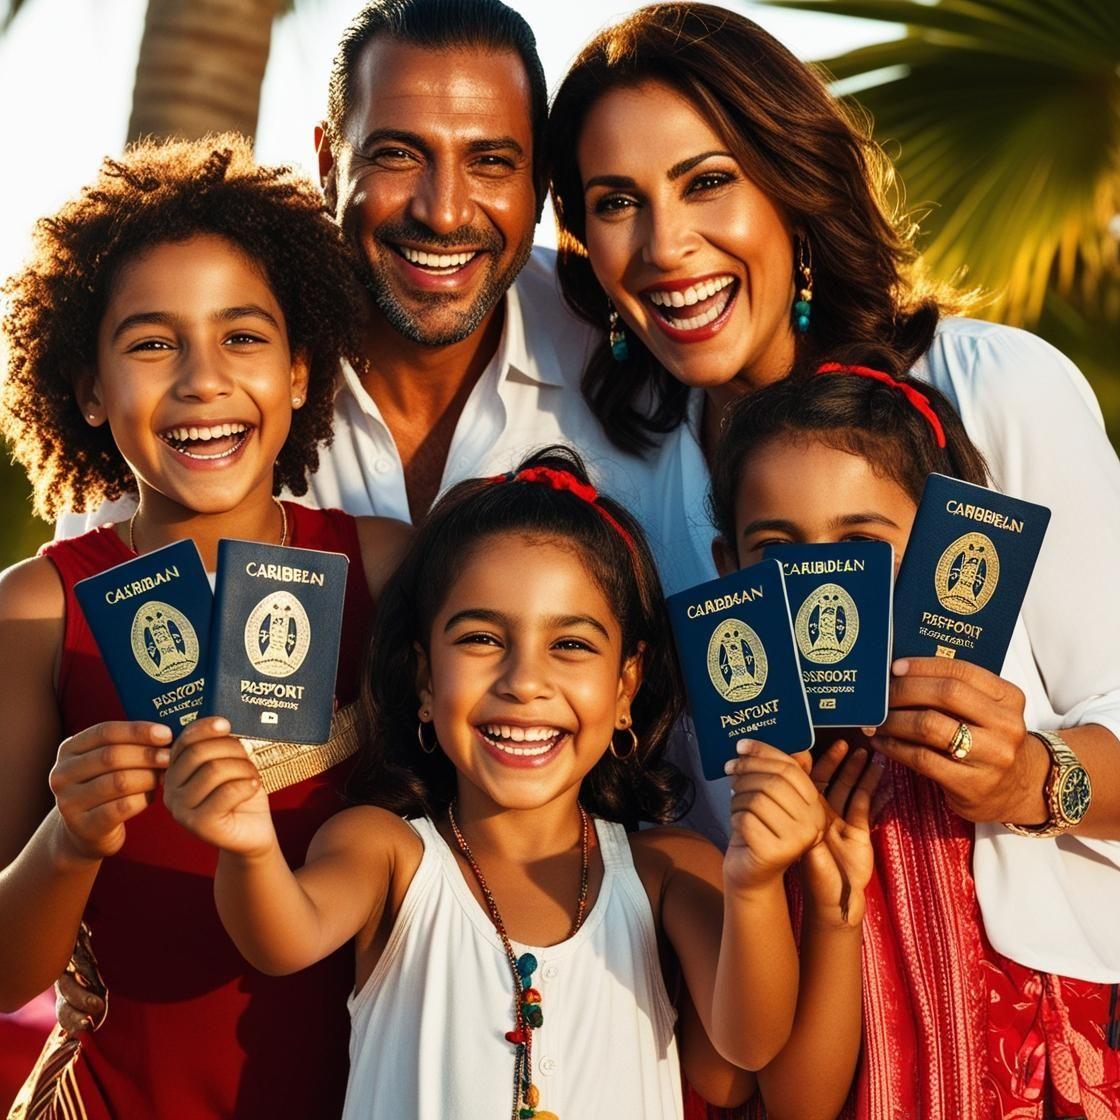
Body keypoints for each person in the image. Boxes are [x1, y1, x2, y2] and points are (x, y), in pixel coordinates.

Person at [548, 0, 1120, 986]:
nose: (665, 244)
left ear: (791, 185)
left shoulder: (995, 389)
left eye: (707, 182)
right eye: (615, 201)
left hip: (1023, 1032)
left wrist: (1030, 773)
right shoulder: (631, 490)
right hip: (782, 1040)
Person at [163, 446, 881, 1120]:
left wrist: (756, 885)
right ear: (423, 677)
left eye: (570, 645)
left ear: (626, 686)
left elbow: (745, 1054)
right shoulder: (386, 852)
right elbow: (281, 938)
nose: (525, 681)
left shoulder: (670, 869)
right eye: (481, 639)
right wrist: (249, 847)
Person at [0, 135, 410, 1119]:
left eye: (242, 336)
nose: (200, 379)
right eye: (151, 342)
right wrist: (69, 838)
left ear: (303, 368)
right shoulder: (36, 606)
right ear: (91, 390)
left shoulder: (386, 565)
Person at [57, 0, 642, 538]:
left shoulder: (626, 351)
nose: (442, 214)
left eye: (489, 162)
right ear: (328, 163)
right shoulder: (196, 389)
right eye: (398, 155)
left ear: (538, 184)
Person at [707, 365, 1120, 1116]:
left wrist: (1027, 776)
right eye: (777, 553)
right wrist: (817, 906)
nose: (820, 584)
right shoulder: (760, 792)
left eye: (862, 543)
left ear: (942, 549)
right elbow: (796, 1101)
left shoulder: (1001, 717)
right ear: (729, 572)